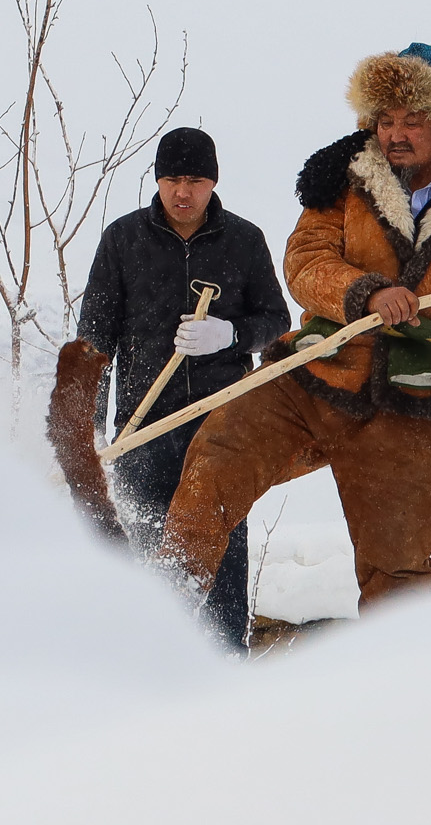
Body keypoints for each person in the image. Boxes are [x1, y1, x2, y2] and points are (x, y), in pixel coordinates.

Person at [161, 45, 431, 613]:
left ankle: (390, 685)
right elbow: (305, 260)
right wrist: (365, 292)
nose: (396, 134)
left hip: (416, 399)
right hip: (318, 369)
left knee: (397, 571)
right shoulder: (340, 179)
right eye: (386, 119)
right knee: (215, 460)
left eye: (412, 121)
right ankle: (161, 613)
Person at [50, 126, 287, 649]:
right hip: (143, 429)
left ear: (213, 182)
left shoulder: (244, 241)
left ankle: (226, 663)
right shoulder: (123, 239)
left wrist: (229, 335)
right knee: (143, 557)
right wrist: (85, 436)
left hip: (223, 429)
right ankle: (148, 667)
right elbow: (94, 342)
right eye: (172, 179)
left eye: (196, 180)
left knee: (222, 556)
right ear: (157, 180)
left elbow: (275, 317)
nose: (183, 192)